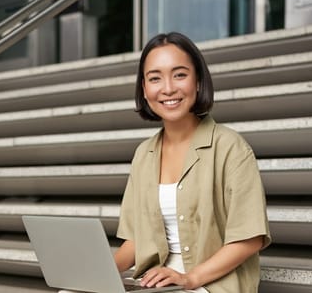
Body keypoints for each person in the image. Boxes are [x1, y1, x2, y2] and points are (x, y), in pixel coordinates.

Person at [113, 32, 271, 292]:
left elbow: (249, 238)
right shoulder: (144, 154)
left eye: (179, 75)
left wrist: (190, 279)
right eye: (155, 78)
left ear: (197, 81)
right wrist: (95, 272)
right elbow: (135, 240)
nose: (167, 88)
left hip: (212, 283)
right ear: (144, 88)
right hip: (156, 283)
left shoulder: (230, 147)